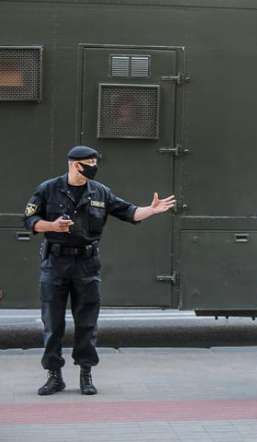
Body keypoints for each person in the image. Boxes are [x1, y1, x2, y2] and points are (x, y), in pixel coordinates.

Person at [23, 145, 176, 396]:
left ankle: (86, 374)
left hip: (86, 264)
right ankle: (54, 376)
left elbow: (129, 212)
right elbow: (29, 220)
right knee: (53, 322)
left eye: (95, 163)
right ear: (75, 165)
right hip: (55, 264)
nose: (94, 167)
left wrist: (151, 210)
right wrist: (52, 226)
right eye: (90, 163)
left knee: (87, 322)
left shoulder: (100, 192)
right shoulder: (48, 189)